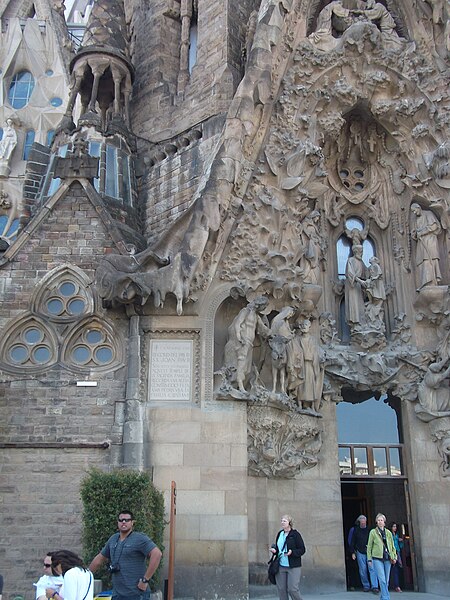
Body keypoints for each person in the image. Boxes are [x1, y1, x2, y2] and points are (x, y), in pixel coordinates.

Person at [89, 510, 162, 600]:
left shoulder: (139, 538)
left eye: (127, 520)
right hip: (117, 594)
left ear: (132, 523)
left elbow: (157, 554)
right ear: (118, 522)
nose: (124, 522)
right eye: (121, 520)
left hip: (136, 594)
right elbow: (99, 559)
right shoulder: (113, 539)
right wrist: (86, 575)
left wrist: (145, 579)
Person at [223, 296, 269, 392]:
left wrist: (273, 333)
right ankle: (240, 387)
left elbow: (263, 329)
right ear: (259, 304)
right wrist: (239, 337)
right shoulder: (245, 311)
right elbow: (237, 324)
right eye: (263, 306)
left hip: (249, 343)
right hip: (243, 341)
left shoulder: (256, 316)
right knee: (241, 364)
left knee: (247, 369)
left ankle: (238, 385)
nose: (264, 309)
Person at [269, 514, 306, 600]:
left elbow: (302, 549)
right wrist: (275, 551)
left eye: (284, 521)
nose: (282, 522)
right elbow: (279, 548)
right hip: (281, 565)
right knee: (281, 589)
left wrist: (292, 552)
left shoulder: (295, 534)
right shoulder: (280, 534)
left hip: (293, 566)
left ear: (289, 522)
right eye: (281, 520)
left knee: (293, 589)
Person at [410, 203, 442, 290]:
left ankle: (432, 282)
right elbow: (414, 232)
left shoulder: (428, 214)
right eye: (413, 211)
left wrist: (422, 232)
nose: (414, 213)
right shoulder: (416, 220)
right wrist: (415, 234)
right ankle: (425, 282)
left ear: (418, 207)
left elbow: (434, 226)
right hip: (421, 243)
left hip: (430, 240)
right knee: (422, 261)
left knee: (429, 259)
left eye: (414, 210)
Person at [367, 513, 397, 600]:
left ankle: (383, 597)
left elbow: (392, 546)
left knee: (386, 580)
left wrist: (394, 556)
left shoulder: (388, 533)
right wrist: (369, 559)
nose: (380, 522)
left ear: (384, 522)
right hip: (377, 558)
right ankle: (386, 598)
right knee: (382, 579)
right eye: (379, 520)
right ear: (376, 522)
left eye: (381, 520)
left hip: (388, 558)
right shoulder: (373, 532)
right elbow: (369, 546)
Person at [350, 515, 378, 593]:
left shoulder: (370, 530)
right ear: (359, 522)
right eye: (361, 522)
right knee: (363, 570)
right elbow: (353, 542)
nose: (363, 523)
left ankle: (375, 586)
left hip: (370, 552)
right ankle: (366, 585)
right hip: (360, 552)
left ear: (366, 521)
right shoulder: (356, 530)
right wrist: (352, 552)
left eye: (364, 522)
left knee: (372, 569)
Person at [345, 244, 367, 327]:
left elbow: (366, 272)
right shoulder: (350, 260)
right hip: (352, 285)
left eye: (362, 252)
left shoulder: (361, 262)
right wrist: (360, 281)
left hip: (359, 286)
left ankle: (361, 322)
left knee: (360, 304)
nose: (361, 253)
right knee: (353, 303)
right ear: (355, 252)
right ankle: (355, 324)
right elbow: (350, 273)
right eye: (360, 251)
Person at [389, 522, 404, 592]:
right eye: (393, 526)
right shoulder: (389, 534)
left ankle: (398, 585)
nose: (395, 528)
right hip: (391, 552)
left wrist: (401, 541)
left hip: (397, 552)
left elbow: (400, 546)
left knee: (397, 569)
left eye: (395, 526)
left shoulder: (397, 534)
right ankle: (395, 585)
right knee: (393, 569)